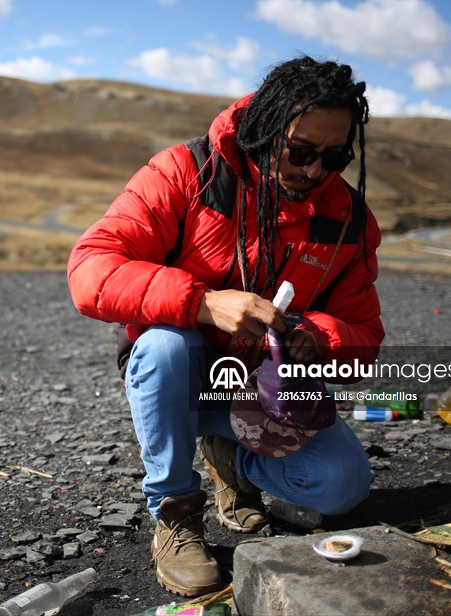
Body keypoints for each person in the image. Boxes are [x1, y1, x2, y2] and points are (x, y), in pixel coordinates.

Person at [66, 56, 384, 597]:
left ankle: (231, 458)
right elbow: (90, 268)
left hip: (258, 385)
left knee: (341, 485)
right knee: (167, 346)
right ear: (264, 130)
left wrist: (318, 336)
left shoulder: (349, 221)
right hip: (179, 371)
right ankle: (176, 515)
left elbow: (364, 339)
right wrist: (204, 303)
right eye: (300, 151)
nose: (314, 172)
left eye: (334, 157)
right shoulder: (186, 171)